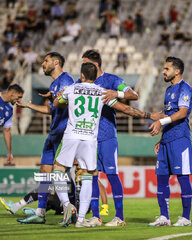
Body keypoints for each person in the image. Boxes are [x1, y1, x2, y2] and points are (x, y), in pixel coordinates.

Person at [52, 62, 157, 228]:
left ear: (83, 76)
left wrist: (59, 96)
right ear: (95, 77)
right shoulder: (102, 92)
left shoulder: (71, 88)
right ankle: (80, 220)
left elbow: (56, 103)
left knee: (57, 170)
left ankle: (67, 205)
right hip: (90, 139)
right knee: (88, 175)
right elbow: (126, 109)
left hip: (71, 136)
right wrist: (149, 115)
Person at [80, 49, 139, 227]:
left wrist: (116, 93)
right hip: (89, 138)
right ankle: (96, 217)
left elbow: (133, 95)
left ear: (95, 64)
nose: (81, 68)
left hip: (107, 137)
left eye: (84, 63)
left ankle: (119, 217)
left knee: (112, 175)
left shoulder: (112, 80)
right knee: (93, 176)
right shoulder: (82, 81)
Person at [17, 52, 74, 224]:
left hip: (64, 132)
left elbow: (68, 100)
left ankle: (69, 207)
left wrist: (54, 98)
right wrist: (29, 105)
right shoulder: (54, 83)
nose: (43, 63)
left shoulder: (66, 79)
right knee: (44, 172)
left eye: (46, 61)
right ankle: (40, 212)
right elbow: (51, 109)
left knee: (60, 173)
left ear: (56, 62)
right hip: (54, 132)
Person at [148, 56, 192, 227]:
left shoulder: (185, 88)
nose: (163, 72)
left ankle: (185, 218)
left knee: (182, 178)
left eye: (167, 69)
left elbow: (182, 113)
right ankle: (164, 217)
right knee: (161, 178)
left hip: (180, 139)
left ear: (177, 71)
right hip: (166, 140)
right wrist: (161, 138)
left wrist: (160, 122)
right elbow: (168, 114)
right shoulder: (168, 90)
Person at [0, 84, 24, 165]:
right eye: (19, 97)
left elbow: (7, 130)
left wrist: (9, 152)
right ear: (12, 93)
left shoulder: (9, 110)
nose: (19, 100)